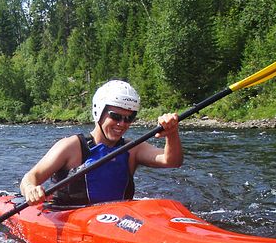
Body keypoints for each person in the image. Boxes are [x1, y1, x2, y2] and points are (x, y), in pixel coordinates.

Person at [20, 80, 182, 207]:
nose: (122, 124)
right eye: (116, 116)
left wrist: (172, 133)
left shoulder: (132, 148)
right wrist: (30, 190)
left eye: (129, 118)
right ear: (99, 112)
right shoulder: (71, 146)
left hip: (118, 222)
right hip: (71, 220)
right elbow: (30, 177)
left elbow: (171, 161)